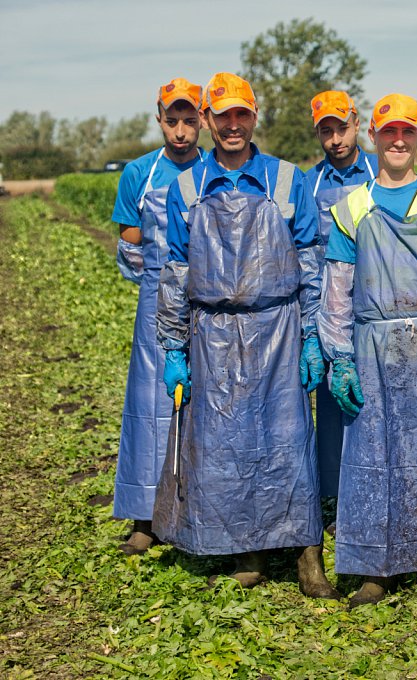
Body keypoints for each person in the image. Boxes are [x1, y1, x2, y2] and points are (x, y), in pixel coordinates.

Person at [153, 72, 338, 599]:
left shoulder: (285, 179)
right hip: (212, 333)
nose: (233, 126)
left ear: (255, 117)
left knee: (289, 441)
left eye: (242, 115)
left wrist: (312, 336)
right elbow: (174, 271)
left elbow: (311, 260)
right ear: (208, 119)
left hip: (277, 327)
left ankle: (308, 558)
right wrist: (173, 347)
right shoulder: (185, 188)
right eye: (223, 116)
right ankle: (247, 552)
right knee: (223, 444)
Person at [318, 93, 417, 607]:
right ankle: (374, 566)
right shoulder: (350, 209)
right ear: (373, 136)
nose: (397, 140)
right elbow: (336, 292)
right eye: (388, 132)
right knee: (371, 452)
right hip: (371, 344)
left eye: (406, 131)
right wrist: (339, 357)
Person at [110, 77, 204, 556]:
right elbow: (130, 238)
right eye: (173, 121)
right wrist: (160, 282)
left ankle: (197, 510)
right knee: (150, 407)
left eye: (190, 121)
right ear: (159, 119)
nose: (182, 131)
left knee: (204, 407)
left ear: (203, 120)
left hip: (208, 303)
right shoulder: (139, 173)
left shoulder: (215, 171)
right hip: (154, 306)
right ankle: (145, 518)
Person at [305, 91, 379, 508]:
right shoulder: (307, 183)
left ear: (357, 123)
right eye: (326, 131)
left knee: (374, 398)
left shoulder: (379, 173)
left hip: (374, 303)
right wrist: (313, 329)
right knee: (332, 408)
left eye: (342, 128)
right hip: (328, 305)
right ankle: (333, 497)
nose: (335, 139)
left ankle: (370, 487)